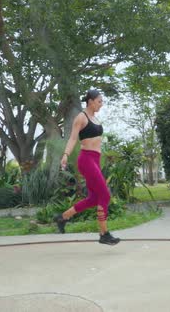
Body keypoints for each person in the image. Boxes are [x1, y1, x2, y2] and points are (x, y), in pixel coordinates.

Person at [54, 90, 120, 246]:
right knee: (105, 195)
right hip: (86, 160)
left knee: (93, 199)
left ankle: (62, 217)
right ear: (90, 101)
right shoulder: (81, 118)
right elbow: (72, 138)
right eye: (99, 101)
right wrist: (65, 154)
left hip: (95, 160)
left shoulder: (95, 118)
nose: (101, 104)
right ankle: (104, 234)